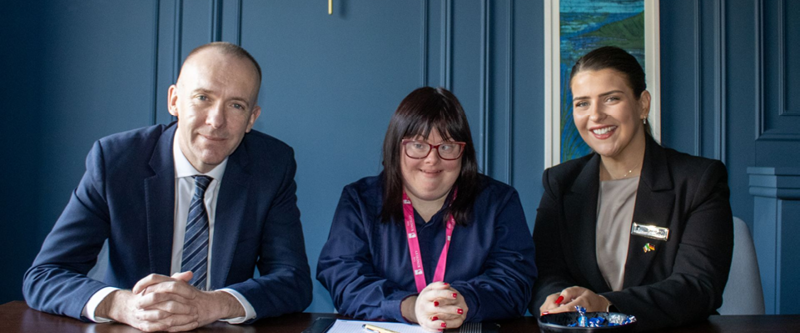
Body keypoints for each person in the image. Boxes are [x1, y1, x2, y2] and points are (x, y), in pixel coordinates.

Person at [23, 42, 312, 332]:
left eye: (236, 105)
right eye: (203, 98)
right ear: (174, 100)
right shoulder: (115, 161)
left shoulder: (272, 166)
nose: (216, 121)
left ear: (251, 118)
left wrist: (217, 304)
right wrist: (121, 305)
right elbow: (46, 274)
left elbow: (293, 280)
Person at [531, 46, 733, 331]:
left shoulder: (698, 180)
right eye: (582, 103)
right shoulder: (560, 183)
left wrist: (606, 305)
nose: (595, 115)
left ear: (643, 104)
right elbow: (545, 273)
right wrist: (556, 300)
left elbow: (698, 286)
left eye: (611, 99)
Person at [317, 87, 537, 331]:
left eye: (447, 146)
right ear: (396, 148)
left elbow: (515, 280)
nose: (432, 159)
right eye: (418, 145)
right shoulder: (359, 200)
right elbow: (343, 277)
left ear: (464, 153)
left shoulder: (499, 201)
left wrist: (461, 302)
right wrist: (410, 307)